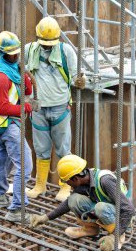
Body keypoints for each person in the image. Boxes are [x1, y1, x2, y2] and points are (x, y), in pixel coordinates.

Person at [25, 16, 86, 202]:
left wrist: (81, 82)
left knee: (63, 149)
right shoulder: (29, 50)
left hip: (60, 107)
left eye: (50, 44)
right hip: (38, 109)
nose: (47, 47)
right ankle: (40, 184)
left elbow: (79, 77)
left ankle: (65, 186)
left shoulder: (66, 51)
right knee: (41, 148)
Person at [29, 154, 136, 251]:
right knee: (74, 200)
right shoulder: (86, 180)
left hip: (122, 219)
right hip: (107, 211)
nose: (68, 185)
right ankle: (91, 229)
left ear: (75, 178)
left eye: (67, 182)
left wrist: (114, 236)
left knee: (100, 207)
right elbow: (67, 204)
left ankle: (119, 237)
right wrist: (45, 217)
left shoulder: (105, 181)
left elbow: (129, 209)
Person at [0, 31, 33, 222]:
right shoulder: (0, 78)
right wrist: (27, 107)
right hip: (8, 124)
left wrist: (25, 75)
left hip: (6, 125)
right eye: (13, 54)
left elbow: (28, 90)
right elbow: (3, 107)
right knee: (25, 165)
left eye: (17, 53)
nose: (16, 56)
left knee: (2, 160)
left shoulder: (12, 70)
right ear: (5, 54)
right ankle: (16, 209)